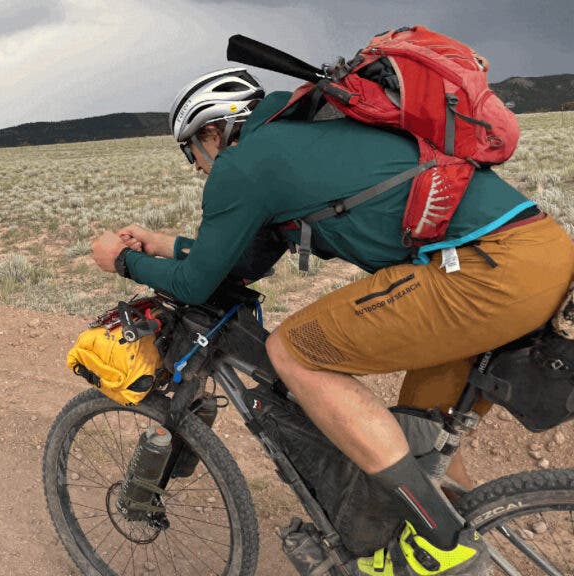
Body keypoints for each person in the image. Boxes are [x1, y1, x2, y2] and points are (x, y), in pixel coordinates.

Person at [90, 67, 574, 575]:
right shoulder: (303, 136)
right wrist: (166, 245)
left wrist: (121, 262)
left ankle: (443, 543)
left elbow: (194, 286)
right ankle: (454, 529)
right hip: (539, 256)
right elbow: (244, 261)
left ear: (212, 133)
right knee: (416, 437)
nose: (196, 168)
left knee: (294, 350)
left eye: (192, 152)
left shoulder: (245, 163)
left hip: (485, 271)